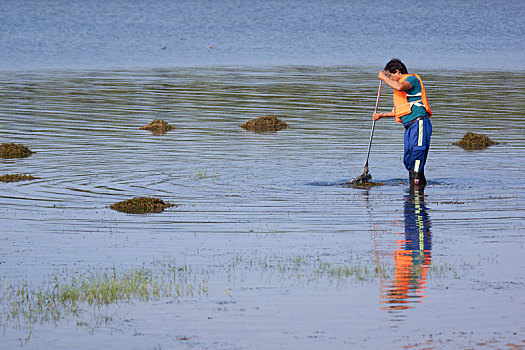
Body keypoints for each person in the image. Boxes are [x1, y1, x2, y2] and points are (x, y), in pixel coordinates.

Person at [373, 59, 432, 190]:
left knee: (417, 155)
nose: (390, 78)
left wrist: (383, 78)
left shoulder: (411, 80)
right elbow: (401, 110)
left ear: (397, 72)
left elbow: (398, 86)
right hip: (409, 127)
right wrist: (382, 115)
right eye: (388, 76)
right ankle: (417, 189)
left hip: (419, 123)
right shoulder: (403, 91)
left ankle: (416, 192)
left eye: (390, 75)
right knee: (408, 159)